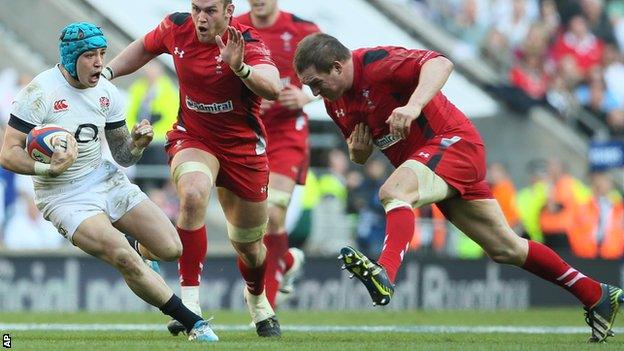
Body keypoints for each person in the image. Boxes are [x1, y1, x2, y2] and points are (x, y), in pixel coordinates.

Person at [293, 33, 623, 343]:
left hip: (454, 144)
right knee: (505, 247)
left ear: (337, 66)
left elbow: (440, 63)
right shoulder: (336, 104)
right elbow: (361, 151)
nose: (315, 93)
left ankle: (385, 272)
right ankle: (597, 295)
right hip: (432, 167)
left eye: (317, 84)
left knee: (393, 192)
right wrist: (358, 153)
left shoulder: (378, 63)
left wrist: (414, 105)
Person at [0, 22, 218, 342]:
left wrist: (137, 144)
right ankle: (193, 323)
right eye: (90, 56)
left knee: (171, 249)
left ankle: (142, 253)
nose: (100, 62)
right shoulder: (38, 93)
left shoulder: (106, 91)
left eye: (102, 54)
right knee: (122, 256)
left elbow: (123, 156)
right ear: (72, 59)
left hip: (104, 178)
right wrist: (47, 169)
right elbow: (7, 154)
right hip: (62, 195)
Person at [103, 0, 282, 337]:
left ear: (229, 12)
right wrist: (108, 73)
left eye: (210, 10)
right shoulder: (176, 27)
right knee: (194, 193)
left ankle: (257, 300)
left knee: (250, 248)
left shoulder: (247, 42)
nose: (201, 16)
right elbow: (144, 47)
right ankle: (191, 306)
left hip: (243, 149)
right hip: (194, 137)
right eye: (197, 8)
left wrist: (240, 68)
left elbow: (273, 88)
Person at [236, 0, 320, 309]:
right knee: (250, 225)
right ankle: (284, 260)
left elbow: (335, 73)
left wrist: (305, 95)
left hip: (287, 132)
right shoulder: (235, 27)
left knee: (273, 212)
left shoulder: (302, 29)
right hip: (246, 131)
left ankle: (265, 309)